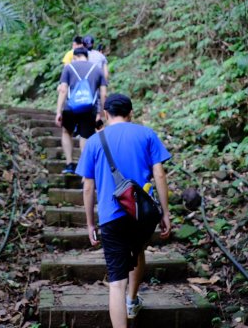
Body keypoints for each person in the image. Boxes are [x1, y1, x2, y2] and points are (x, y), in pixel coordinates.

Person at [75, 93, 172, 327]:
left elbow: (88, 188)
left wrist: (90, 223)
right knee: (137, 251)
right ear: (131, 113)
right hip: (141, 214)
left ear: (106, 114)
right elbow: (159, 173)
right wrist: (165, 213)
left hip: (111, 215)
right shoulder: (146, 134)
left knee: (116, 282)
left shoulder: (94, 141)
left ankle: (125, 301)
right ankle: (132, 300)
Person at [55, 47, 107, 174]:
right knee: (86, 136)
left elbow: (63, 89)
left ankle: (70, 164)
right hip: (90, 109)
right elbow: (103, 93)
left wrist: (58, 111)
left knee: (67, 132)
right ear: (87, 56)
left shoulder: (68, 68)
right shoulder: (97, 69)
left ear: (74, 57)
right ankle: (85, 168)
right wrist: (102, 113)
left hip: (70, 108)